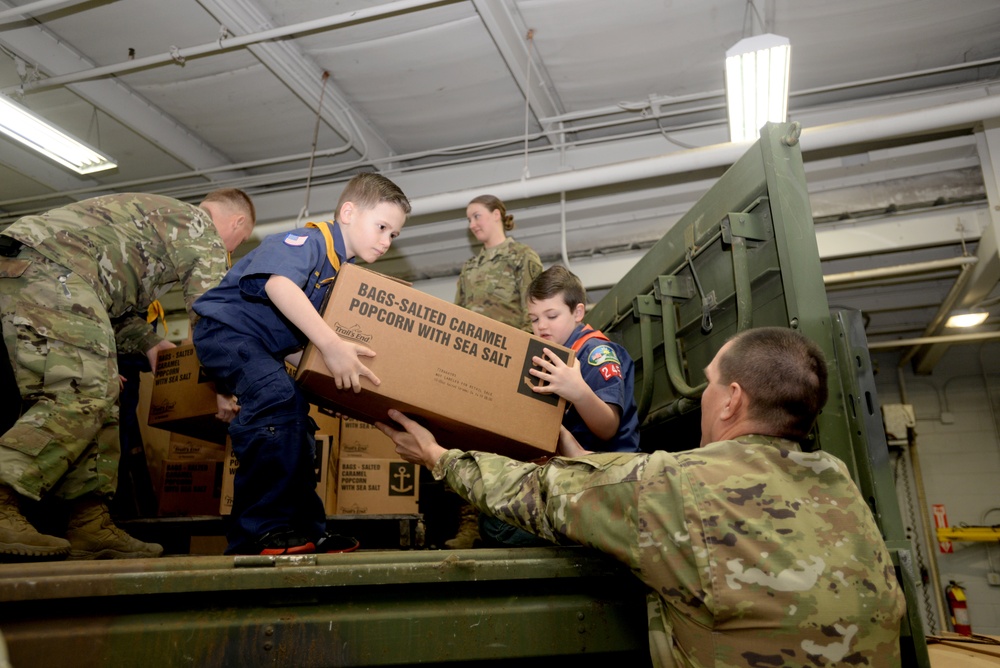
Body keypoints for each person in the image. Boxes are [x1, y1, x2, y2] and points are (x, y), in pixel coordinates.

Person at [377, 327, 906, 667]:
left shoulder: (679, 485)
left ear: (732, 402)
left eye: (710, 385)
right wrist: (576, 453)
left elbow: (532, 492)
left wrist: (437, 456)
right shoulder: (837, 479)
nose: (705, 398)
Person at [0, 189, 255, 561]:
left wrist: (151, 344)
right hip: (53, 272)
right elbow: (210, 312)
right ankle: (4, 496)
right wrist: (220, 385)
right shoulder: (200, 227)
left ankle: (88, 522)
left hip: (39, 273)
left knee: (102, 395)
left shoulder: (156, 230)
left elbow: (116, 309)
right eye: (239, 241)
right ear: (237, 223)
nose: (231, 250)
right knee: (80, 393)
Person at [193, 172, 411, 556]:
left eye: (393, 234)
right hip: (225, 332)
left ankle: (305, 529)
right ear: (348, 212)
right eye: (381, 226)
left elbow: (295, 343)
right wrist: (331, 344)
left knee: (295, 416)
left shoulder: (338, 273)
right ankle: (257, 533)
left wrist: (329, 377)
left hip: (259, 345)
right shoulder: (309, 241)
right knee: (277, 404)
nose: (386, 240)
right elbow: (279, 286)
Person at [479, 265, 640, 547]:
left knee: (497, 528)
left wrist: (577, 390)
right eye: (534, 319)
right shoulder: (553, 355)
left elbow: (608, 427)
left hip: (606, 479)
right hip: (572, 473)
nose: (541, 326)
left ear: (578, 313)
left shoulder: (596, 353)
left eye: (551, 316)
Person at [447, 194, 544, 548]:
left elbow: (534, 314)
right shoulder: (469, 269)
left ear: (498, 215)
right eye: (469, 220)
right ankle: (470, 526)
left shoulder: (523, 257)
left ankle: (508, 522)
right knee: (466, 444)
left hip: (508, 366)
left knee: (509, 447)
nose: (472, 225)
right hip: (471, 366)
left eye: (477, 216)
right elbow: (458, 318)